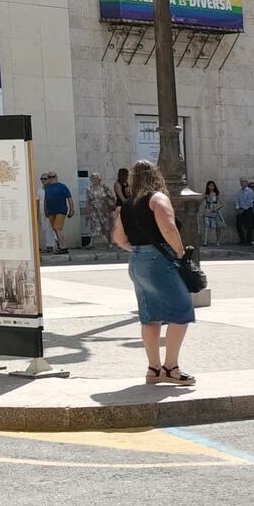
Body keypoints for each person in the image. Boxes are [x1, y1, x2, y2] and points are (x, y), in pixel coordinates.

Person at [109, 160, 197, 386]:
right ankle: (171, 368)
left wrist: (137, 250)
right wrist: (179, 252)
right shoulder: (157, 199)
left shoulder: (127, 205)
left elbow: (118, 238)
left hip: (137, 261)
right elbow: (168, 228)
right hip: (160, 260)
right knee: (181, 311)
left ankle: (153, 369)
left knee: (150, 317)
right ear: (155, 176)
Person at [39, 171, 72, 254]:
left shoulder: (62, 186)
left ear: (56, 177)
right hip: (51, 211)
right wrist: (46, 210)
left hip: (61, 210)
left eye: (53, 176)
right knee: (55, 229)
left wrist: (72, 209)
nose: (51, 178)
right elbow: (46, 199)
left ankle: (63, 246)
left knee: (57, 228)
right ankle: (61, 246)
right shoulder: (47, 188)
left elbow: (69, 198)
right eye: (49, 177)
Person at [233, 178, 254, 247]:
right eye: (241, 181)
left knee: (249, 226)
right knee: (238, 225)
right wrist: (237, 208)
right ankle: (242, 240)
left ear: (246, 182)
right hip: (241, 210)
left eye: (243, 181)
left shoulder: (250, 191)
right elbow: (237, 200)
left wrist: (244, 209)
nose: (242, 183)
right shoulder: (240, 191)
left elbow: (250, 201)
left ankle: (248, 241)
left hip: (248, 210)